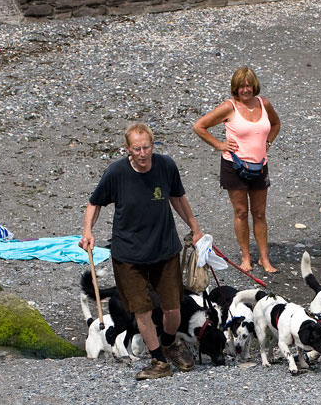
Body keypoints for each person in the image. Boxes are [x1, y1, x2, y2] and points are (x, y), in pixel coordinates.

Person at [79, 123, 203, 381]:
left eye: (147, 147)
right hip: (128, 255)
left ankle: (169, 343)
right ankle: (159, 360)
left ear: (153, 145)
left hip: (165, 249)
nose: (143, 153)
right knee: (141, 311)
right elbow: (94, 203)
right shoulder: (116, 173)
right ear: (127, 149)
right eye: (137, 149)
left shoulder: (166, 166)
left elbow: (178, 198)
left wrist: (195, 228)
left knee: (172, 310)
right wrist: (87, 231)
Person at [193, 65, 281, 273]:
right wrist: (219, 145)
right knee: (241, 212)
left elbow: (276, 124)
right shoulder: (229, 107)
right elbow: (199, 126)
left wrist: (268, 142)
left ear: (254, 86)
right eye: (241, 86)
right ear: (235, 88)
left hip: (260, 166)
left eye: (249, 85)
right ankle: (245, 257)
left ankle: (264, 258)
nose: (245, 90)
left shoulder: (264, 104)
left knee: (259, 213)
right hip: (234, 166)